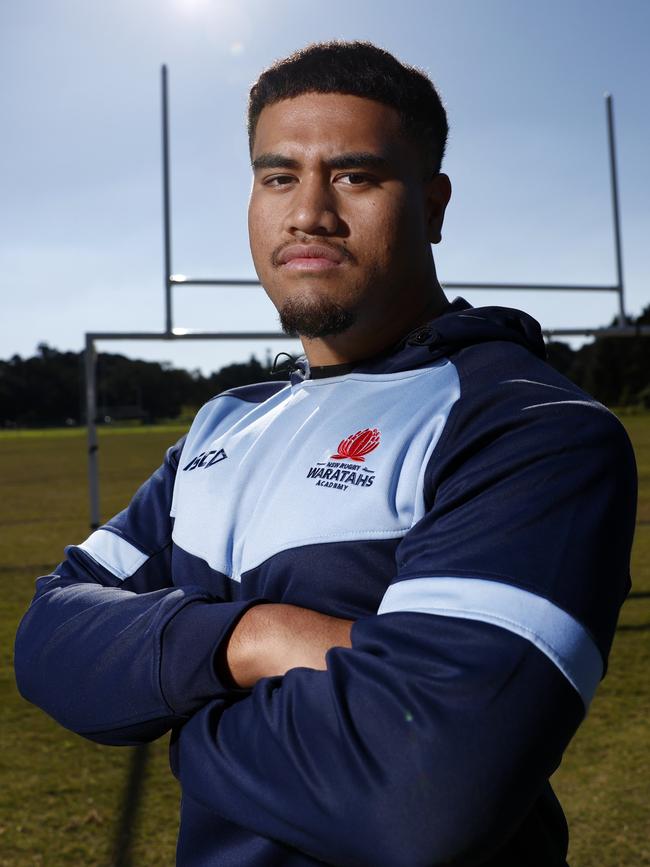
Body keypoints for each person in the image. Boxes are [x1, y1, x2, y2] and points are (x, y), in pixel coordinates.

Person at [15, 41, 637, 867]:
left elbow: (419, 792)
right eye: (278, 177)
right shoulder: (222, 426)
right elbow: (47, 635)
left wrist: (178, 714)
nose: (308, 210)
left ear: (434, 204)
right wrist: (255, 638)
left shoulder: (532, 426)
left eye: (354, 175)